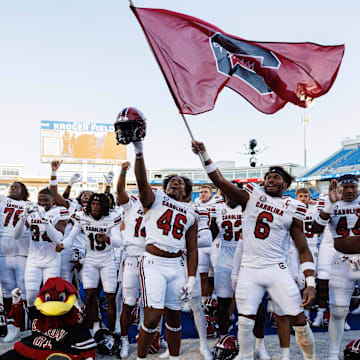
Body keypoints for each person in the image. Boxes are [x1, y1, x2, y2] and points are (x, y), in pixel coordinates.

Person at [192, 140, 316, 360]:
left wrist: (310, 282)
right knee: (245, 323)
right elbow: (219, 180)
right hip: (249, 267)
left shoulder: (292, 207)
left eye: (276, 177)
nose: (271, 179)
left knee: (299, 320)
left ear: (285, 184)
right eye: (268, 177)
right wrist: (204, 155)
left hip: (277, 268)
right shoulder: (251, 197)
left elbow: (303, 248)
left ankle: (310, 358)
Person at [115, 107, 198, 360]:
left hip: (177, 265)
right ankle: (140, 357)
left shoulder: (192, 212)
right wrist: (139, 150)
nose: (175, 182)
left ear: (187, 191)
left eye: (180, 182)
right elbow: (142, 183)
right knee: (152, 316)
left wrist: (192, 277)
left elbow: (192, 248)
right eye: (172, 180)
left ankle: (173, 357)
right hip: (152, 262)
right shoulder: (156, 198)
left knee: (174, 317)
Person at [56, 193, 124, 334]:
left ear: (105, 206)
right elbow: (72, 236)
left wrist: (108, 239)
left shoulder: (112, 217)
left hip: (107, 260)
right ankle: (93, 328)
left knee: (110, 296)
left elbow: (119, 242)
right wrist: (63, 244)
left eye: (98, 204)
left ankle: (112, 331)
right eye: (93, 204)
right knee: (90, 295)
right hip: (90, 260)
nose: (94, 207)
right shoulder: (82, 215)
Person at [311, 174, 360, 360]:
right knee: (338, 310)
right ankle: (332, 354)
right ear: (337, 188)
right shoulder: (329, 201)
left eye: (352, 187)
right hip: (342, 259)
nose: (348, 191)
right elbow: (314, 229)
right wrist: (330, 206)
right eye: (344, 187)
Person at [0, 182, 32, 341]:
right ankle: (12, 326)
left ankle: (25, 324)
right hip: (3, 252)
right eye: (11, 186)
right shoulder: (3, 200)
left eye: (16, 186)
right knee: (7, 291)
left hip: (22, 252)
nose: (12, 188)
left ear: (24, 191)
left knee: (23, 290)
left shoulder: (31, 205)